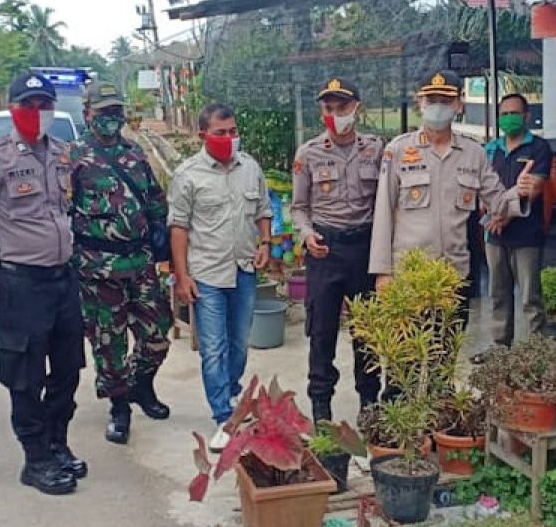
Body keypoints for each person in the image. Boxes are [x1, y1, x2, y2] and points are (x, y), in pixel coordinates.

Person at [0, 71, 86, 496]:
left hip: (63, 280)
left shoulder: (62, 154)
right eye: (28, 104)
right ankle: (35, 458)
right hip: (21, 282)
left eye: (44, 104)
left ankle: (57, 442)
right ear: (14, 108)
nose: (37, 112)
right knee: (25, 375)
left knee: (68, 368)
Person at [369, 70, 537, 322]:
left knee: (447, 353)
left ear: (459, 104)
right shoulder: (398, 150)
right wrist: (382, 272)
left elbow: (498, 203)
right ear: (420, 103)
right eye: (431, 100)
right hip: (409, 276)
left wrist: (520, 191)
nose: (438, 107)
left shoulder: (473, 153)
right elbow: (383, 213)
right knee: (410, 357)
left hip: (453, 276)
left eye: (445, 101)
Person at [70, 82, 172, 445]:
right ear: (87, 114)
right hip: (99, 269)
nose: (112, 120)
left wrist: (164, 243)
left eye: (116, 112)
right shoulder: (74, 157)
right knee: (108, 343)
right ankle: (119, 407)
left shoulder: (135, 154)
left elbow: (155, 200)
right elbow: (62, 214)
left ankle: (141, 385)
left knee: (159, 332)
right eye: (104, 113)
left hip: (140, 262)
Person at [169, 102, 272, 451]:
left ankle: (230, 397)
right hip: (207, 274)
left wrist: (266, 242)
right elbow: (179, 229)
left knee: (239, 344)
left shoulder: (250, 168)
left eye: (233, 132)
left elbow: (263, 210)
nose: (229, 139)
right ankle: (222, 417)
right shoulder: (188, 175)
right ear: (203, 135)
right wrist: (182, 277)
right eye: (220, 133)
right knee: (213, 349)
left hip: (244, 269)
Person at [291, 77, 384, 423]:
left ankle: (370, 404)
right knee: (322, 331)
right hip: (325, 252)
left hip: (364, 249)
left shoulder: (376, 149)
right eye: (329, 108)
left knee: (367, 332)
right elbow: (299, 206)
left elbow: (385, 201)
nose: (335, 114)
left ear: (356, 108)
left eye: (342, 107)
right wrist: (306, 233)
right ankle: (321, 407)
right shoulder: (308, 153)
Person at [484, 93, 552, 347]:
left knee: (530, 298)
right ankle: (500, 349)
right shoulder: (490, 149)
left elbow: (532, 190)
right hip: (494, 234)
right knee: (498, 295)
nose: (509, 118)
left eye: (514, 113)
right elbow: (481, 188)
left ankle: (538, 352)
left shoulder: (538, 147)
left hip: (526, 236)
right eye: (504, 114)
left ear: (526, 116)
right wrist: (495, 216)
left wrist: (504, 215)